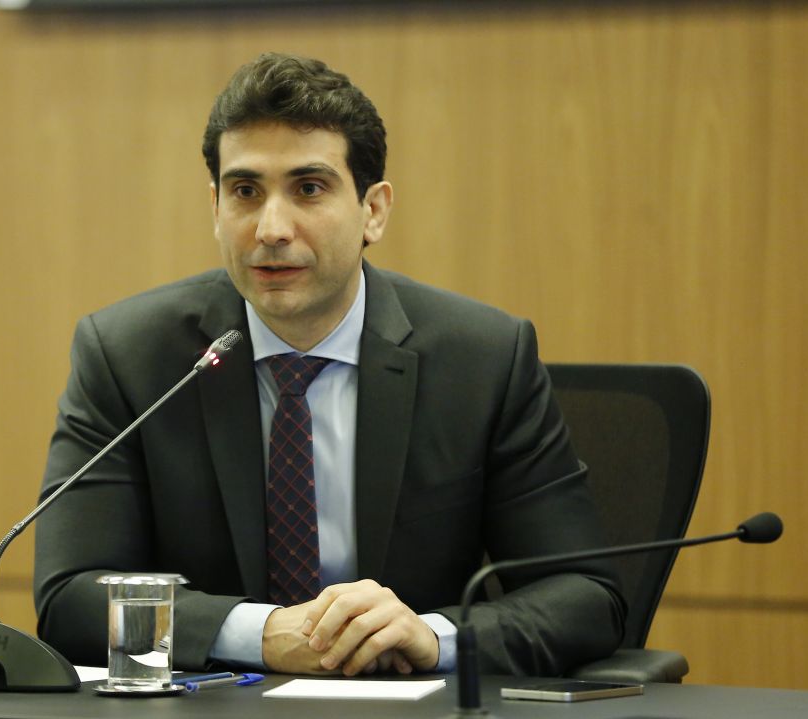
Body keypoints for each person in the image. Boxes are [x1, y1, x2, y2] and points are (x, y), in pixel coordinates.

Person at [34, 52, 625, 677]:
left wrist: (434, 636)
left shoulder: (483, 359)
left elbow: (584, 595)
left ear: (374, 210)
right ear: (215, 208)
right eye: (245, 192)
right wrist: (262, 633)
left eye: (309, 189)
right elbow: (71, 597)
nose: (271, 228)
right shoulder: (129, 355)